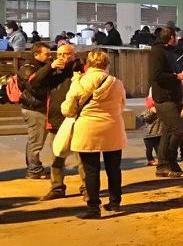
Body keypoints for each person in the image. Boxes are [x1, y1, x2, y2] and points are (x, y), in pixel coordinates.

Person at [61, 50, 128, 219]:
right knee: (114, 168)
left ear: (88, 64)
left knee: (91, 170)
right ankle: (115, 202)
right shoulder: (116, 82)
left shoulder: (80, 81)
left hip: (87, 129)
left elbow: (67, 109)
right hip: (112, 128)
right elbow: (122, 104)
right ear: (107, 64)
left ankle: (93, 208)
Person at [30, 44, 83, 199]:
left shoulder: (81, 70)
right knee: (57, 157)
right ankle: (57, 188)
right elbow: (33, 83)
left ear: (73, 55)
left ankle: (87, 188)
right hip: (56, 119)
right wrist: (50, 67)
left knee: (82, 157)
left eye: (65, 54)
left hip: (77, 119)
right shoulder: (52, 71)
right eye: (59, 54)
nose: (61, 57)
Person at [148, 27, 183, 178]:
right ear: (171, 37)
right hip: (164, 98)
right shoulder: (158, 51)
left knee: (167, 132)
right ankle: (168, 160)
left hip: (172, 97)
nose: (178, 39)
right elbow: (156, 75)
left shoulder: (168, 51)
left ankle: (164, 165)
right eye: (176, 36)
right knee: (178, 130)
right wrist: (177, 77)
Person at [16, 42, 52, 179]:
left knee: (35, 139)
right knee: (36, 141)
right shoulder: (28, 69)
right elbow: (35, 88)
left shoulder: (38, 66)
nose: (50, 57)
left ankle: (35, 167)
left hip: (35, 108)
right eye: (46, 54)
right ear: (36, 54)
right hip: (34, 109)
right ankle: (34, 170)